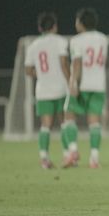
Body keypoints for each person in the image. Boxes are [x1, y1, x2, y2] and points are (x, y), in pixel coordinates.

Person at [61, 8, 108, 169]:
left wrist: (73, 83)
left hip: (83, 84)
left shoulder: (76, 40)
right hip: (99, 84)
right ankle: (94, 158)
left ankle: (73, 150)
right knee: (94, 122)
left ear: (80, 23)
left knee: (68, 114)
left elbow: (77, 64)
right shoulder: (103, 39)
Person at [24, 12, 70, 169]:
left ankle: (44, 157)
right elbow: (64, 64)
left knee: (45, 125)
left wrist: (42, 75)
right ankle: (67, 155)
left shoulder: (33, 46)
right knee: (64, 123)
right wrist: (71, 81)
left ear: (39, 28)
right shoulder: (60, 41)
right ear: (55, 26)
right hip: (61, 88)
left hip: (43, 89)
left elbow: (28, 71)